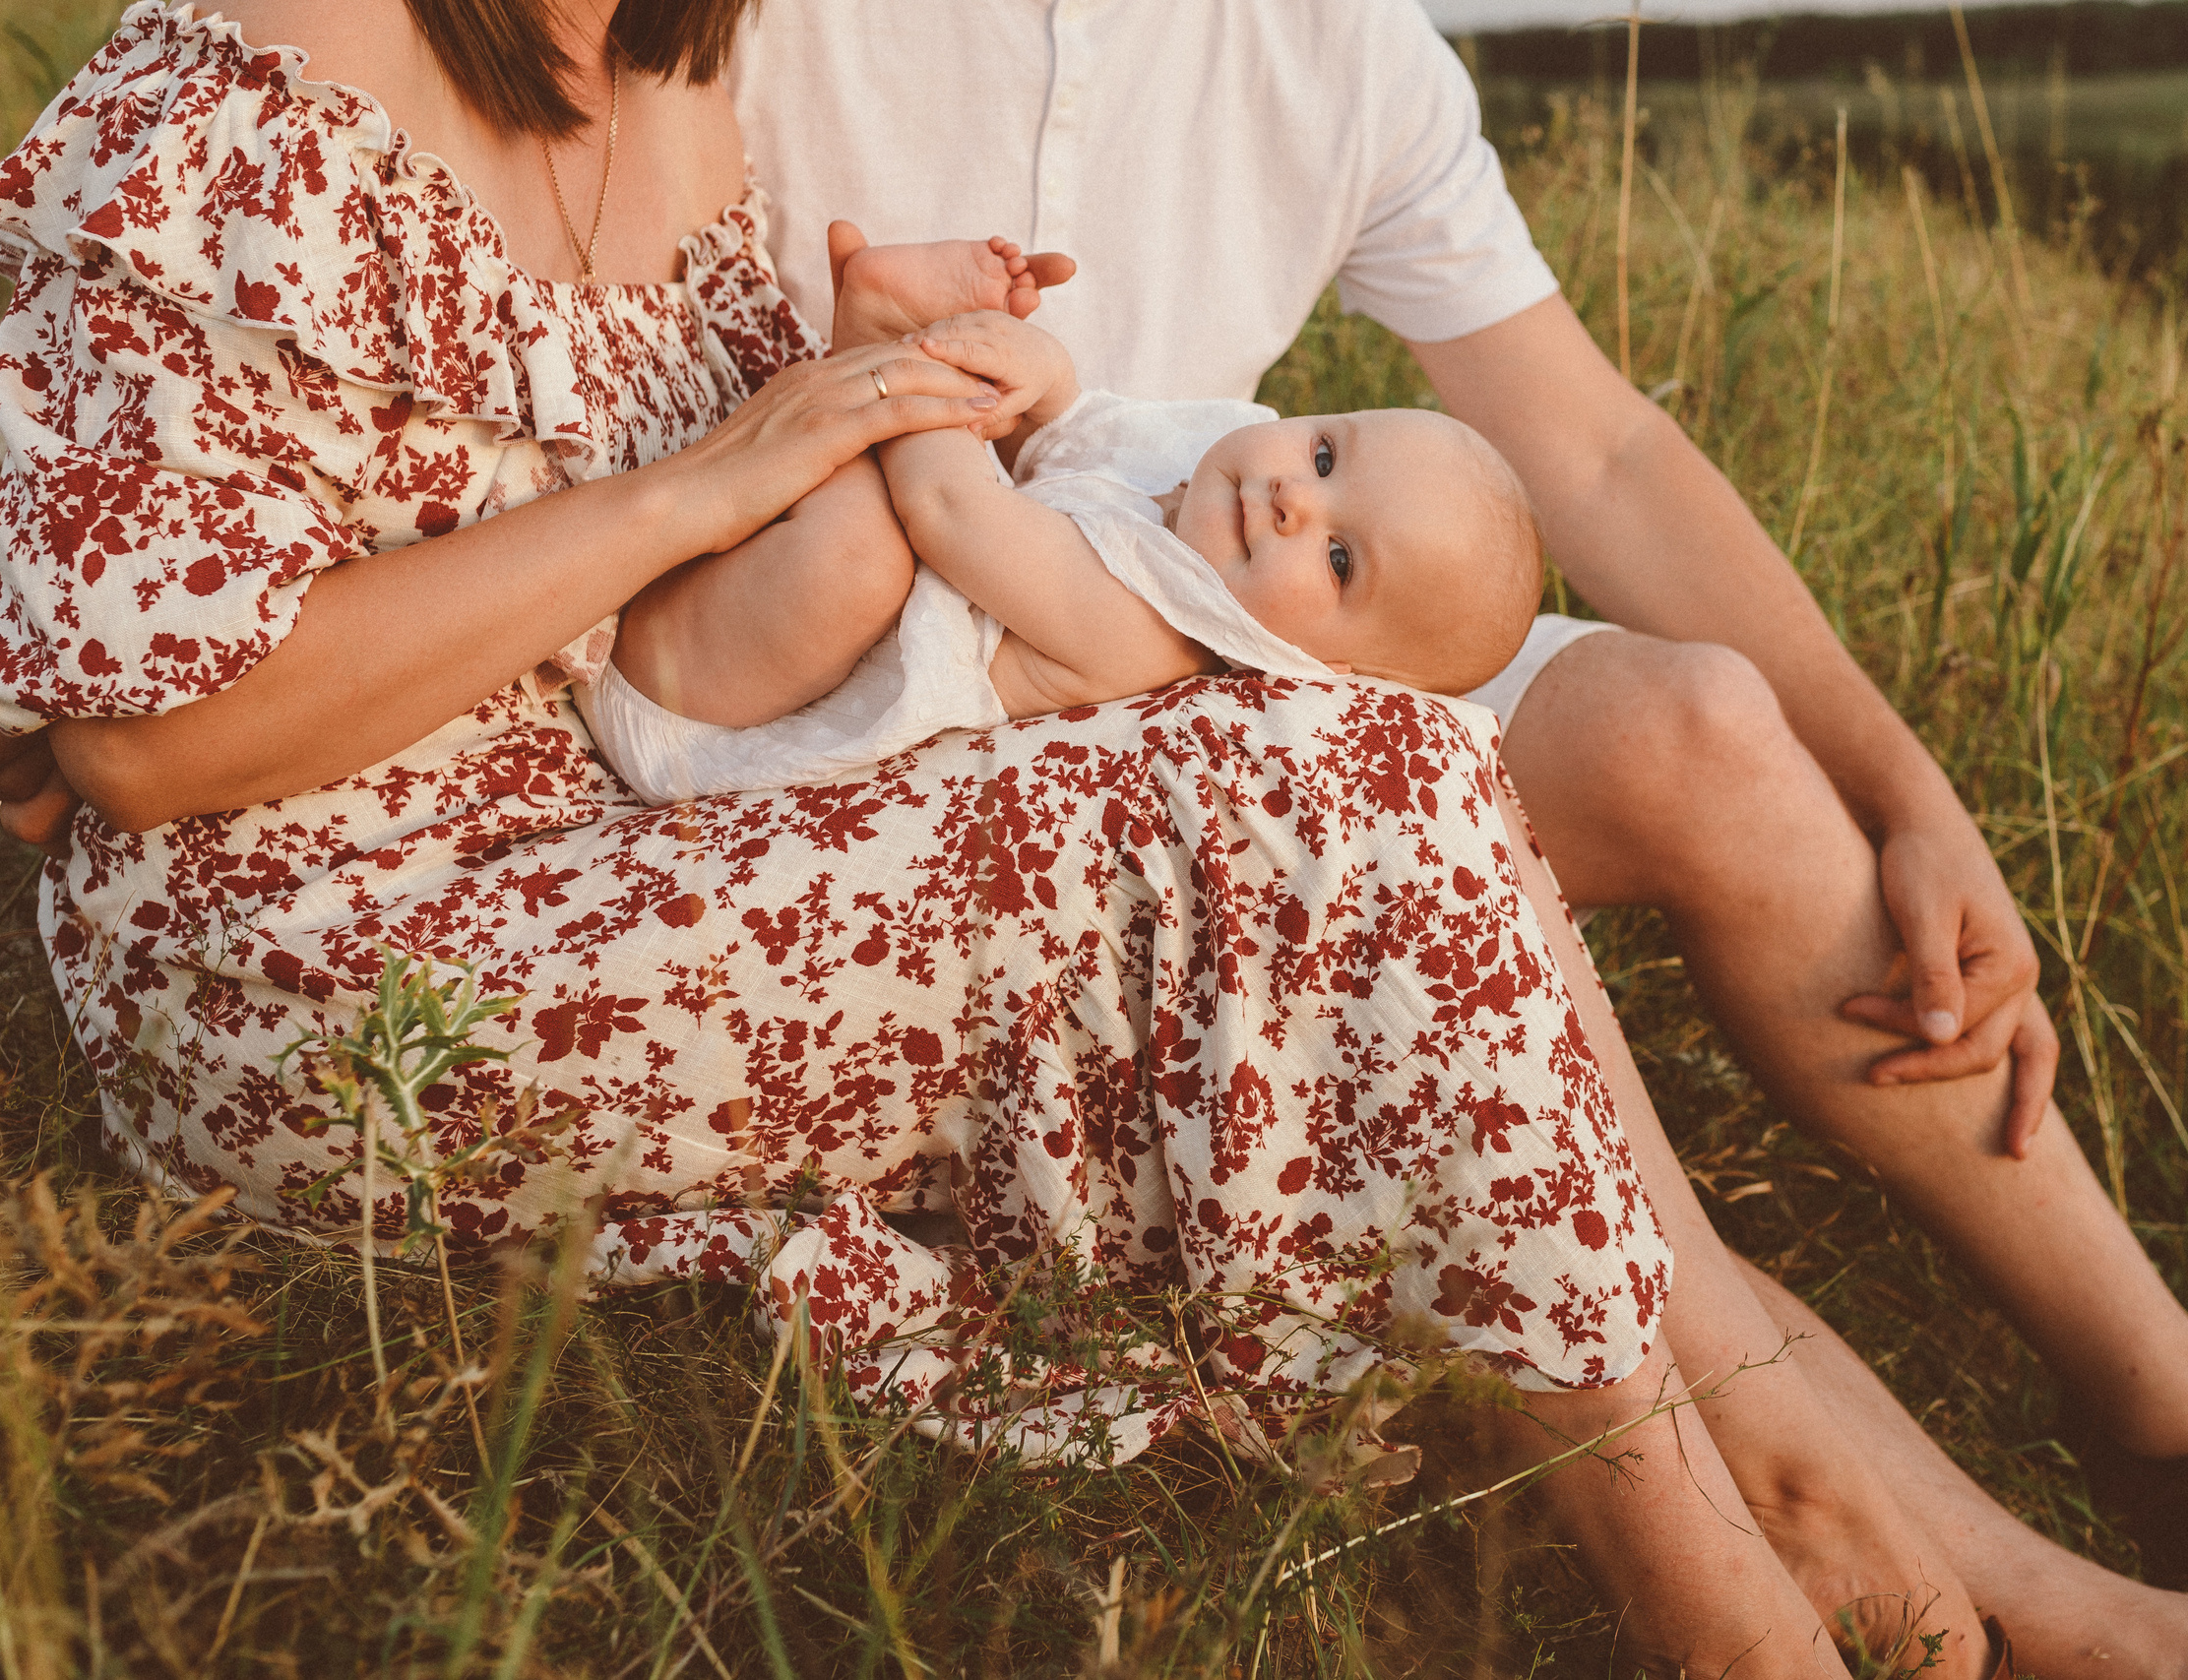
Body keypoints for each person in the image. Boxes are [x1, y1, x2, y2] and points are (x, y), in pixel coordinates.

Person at [0, 1, 2188, 1673]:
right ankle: (1776, 1556)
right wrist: (721, 473)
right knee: (1349, 793)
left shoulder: (684, 59)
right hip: (362, 953)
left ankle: (1864, 1499)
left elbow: (1574, 450)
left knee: (1375, 768)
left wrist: (1899, 779)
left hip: (718, 776)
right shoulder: (253, 78)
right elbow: (163, 724)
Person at [720, 0, 2188, 1610]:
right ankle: (1978, 1574)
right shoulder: (775, 24)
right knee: (1421, 803)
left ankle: (2154, 1394)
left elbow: (1598, 450)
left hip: (1251, 615)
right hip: (945, 700)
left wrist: (1907, 788)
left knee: (1690, 720)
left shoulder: (1337, 45)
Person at [593, 284, 1542, 803]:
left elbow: (956, 517)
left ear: (1326, 670)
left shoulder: (1152, 634)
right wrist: (1035, 375)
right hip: (763, 622)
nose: (1297, 497)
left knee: (863, 551)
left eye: (1340, 561)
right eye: (1327, 452)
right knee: (850, 499)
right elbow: (1076, 432)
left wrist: (903, 357)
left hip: (708, 711)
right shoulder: (1200, 485)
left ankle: (627, 626)